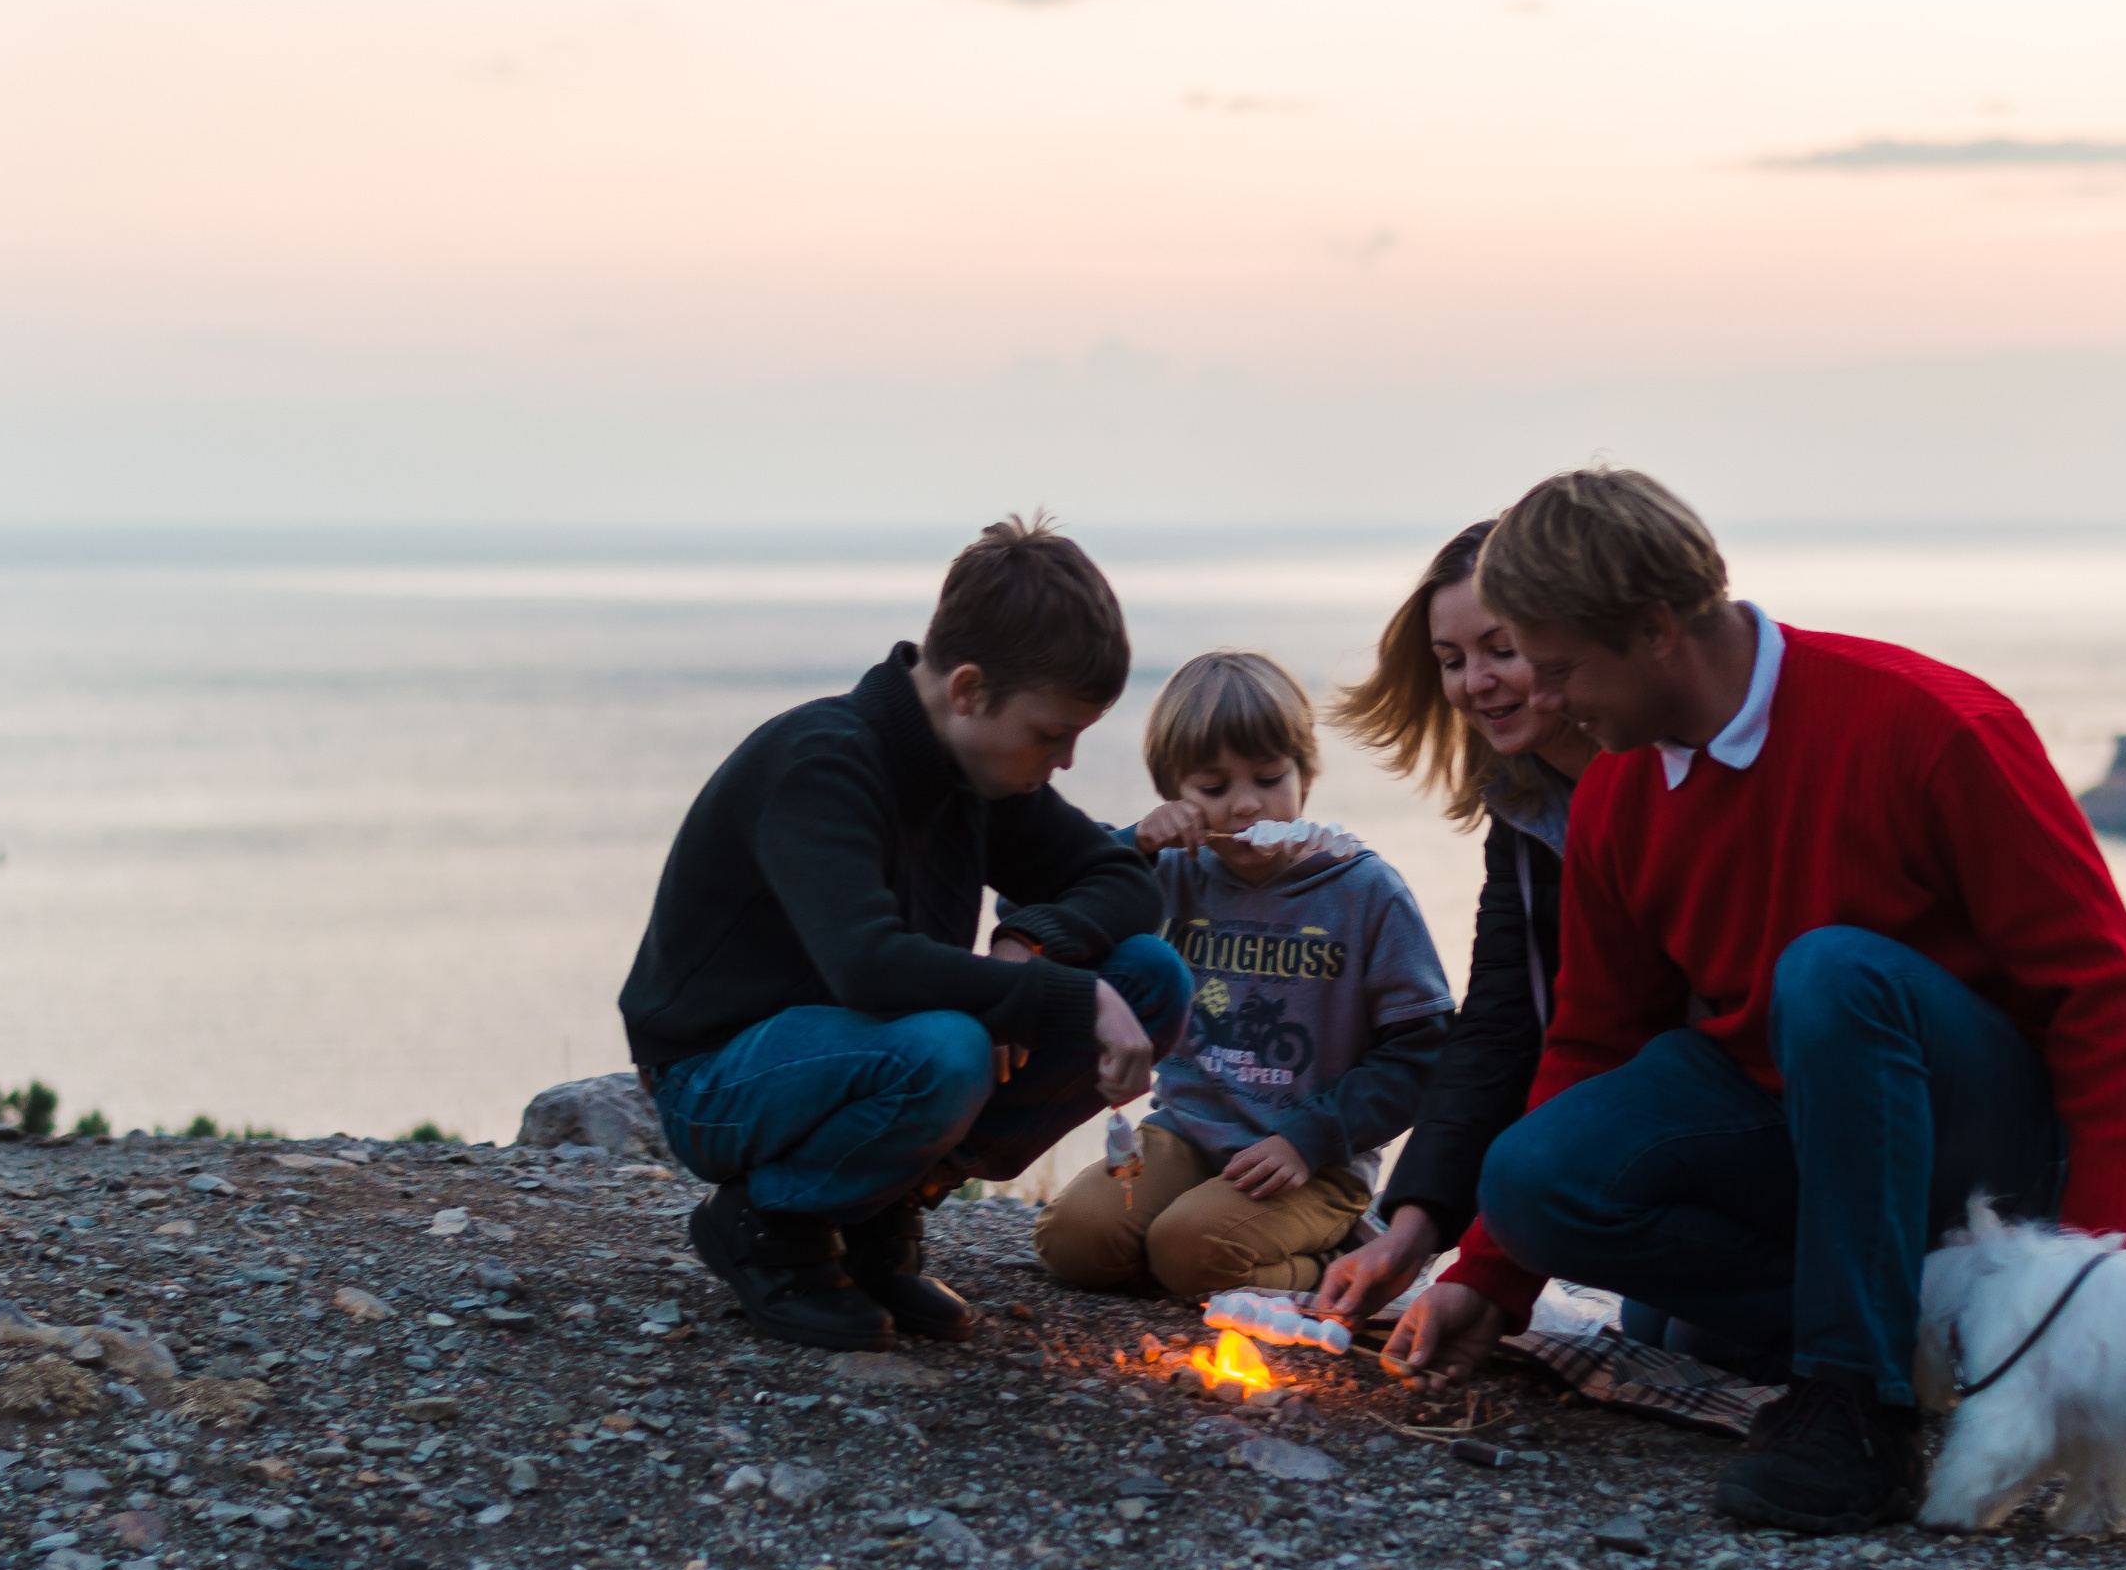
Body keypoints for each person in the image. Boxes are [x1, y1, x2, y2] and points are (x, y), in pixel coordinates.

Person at [1389, 468, 2126, 1536]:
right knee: (1531, 1180)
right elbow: (1597, 1038)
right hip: (1799, 1142)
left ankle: (1855, 1404)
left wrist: (2093, 1280)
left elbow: (2100, 990)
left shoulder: (1932, 725)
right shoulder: (1617, 790)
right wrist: (1489, 1274)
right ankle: (1914, 1327)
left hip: (1982, 1151)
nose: (1548, 700)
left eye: (1558, 668)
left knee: (1832, 972)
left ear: (1655, 631)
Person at [617, 517, 1194, 1354]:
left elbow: (1123, 880)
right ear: (968, 690)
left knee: (1150, 979)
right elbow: (869, 965)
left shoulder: (980, 774)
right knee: (949, 1049)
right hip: (718, 1081)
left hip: (862, 1053)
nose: (1066, 759)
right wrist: (1064, 999)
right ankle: (770, 1224)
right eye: (1050, 733)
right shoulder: (822, 763)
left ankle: (877, 1207)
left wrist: (1028, 943)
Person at [1033, 651, 1452, 1297]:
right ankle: (1199, 1245)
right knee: (1075, 1240)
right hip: (1187, 1135)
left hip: (1312, 1159)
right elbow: (1036, 904)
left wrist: (1312, 1139)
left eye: (1269, 778)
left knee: (1191, 1251)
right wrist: (1132, 846)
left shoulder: (1365, 892)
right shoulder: (1168, 873)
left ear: (1305, 775)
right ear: (1175, 795)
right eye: (1213, 788)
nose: (1247, 805)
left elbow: (1423, 1052)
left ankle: (1345, 1261)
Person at [1314, 520, 1599, 1323]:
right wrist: (1408, 1232)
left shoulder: (1663, 780)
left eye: (1501, 650)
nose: (1476, 683)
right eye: (1451, 660)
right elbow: (1501, 1025)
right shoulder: (1524, 813)